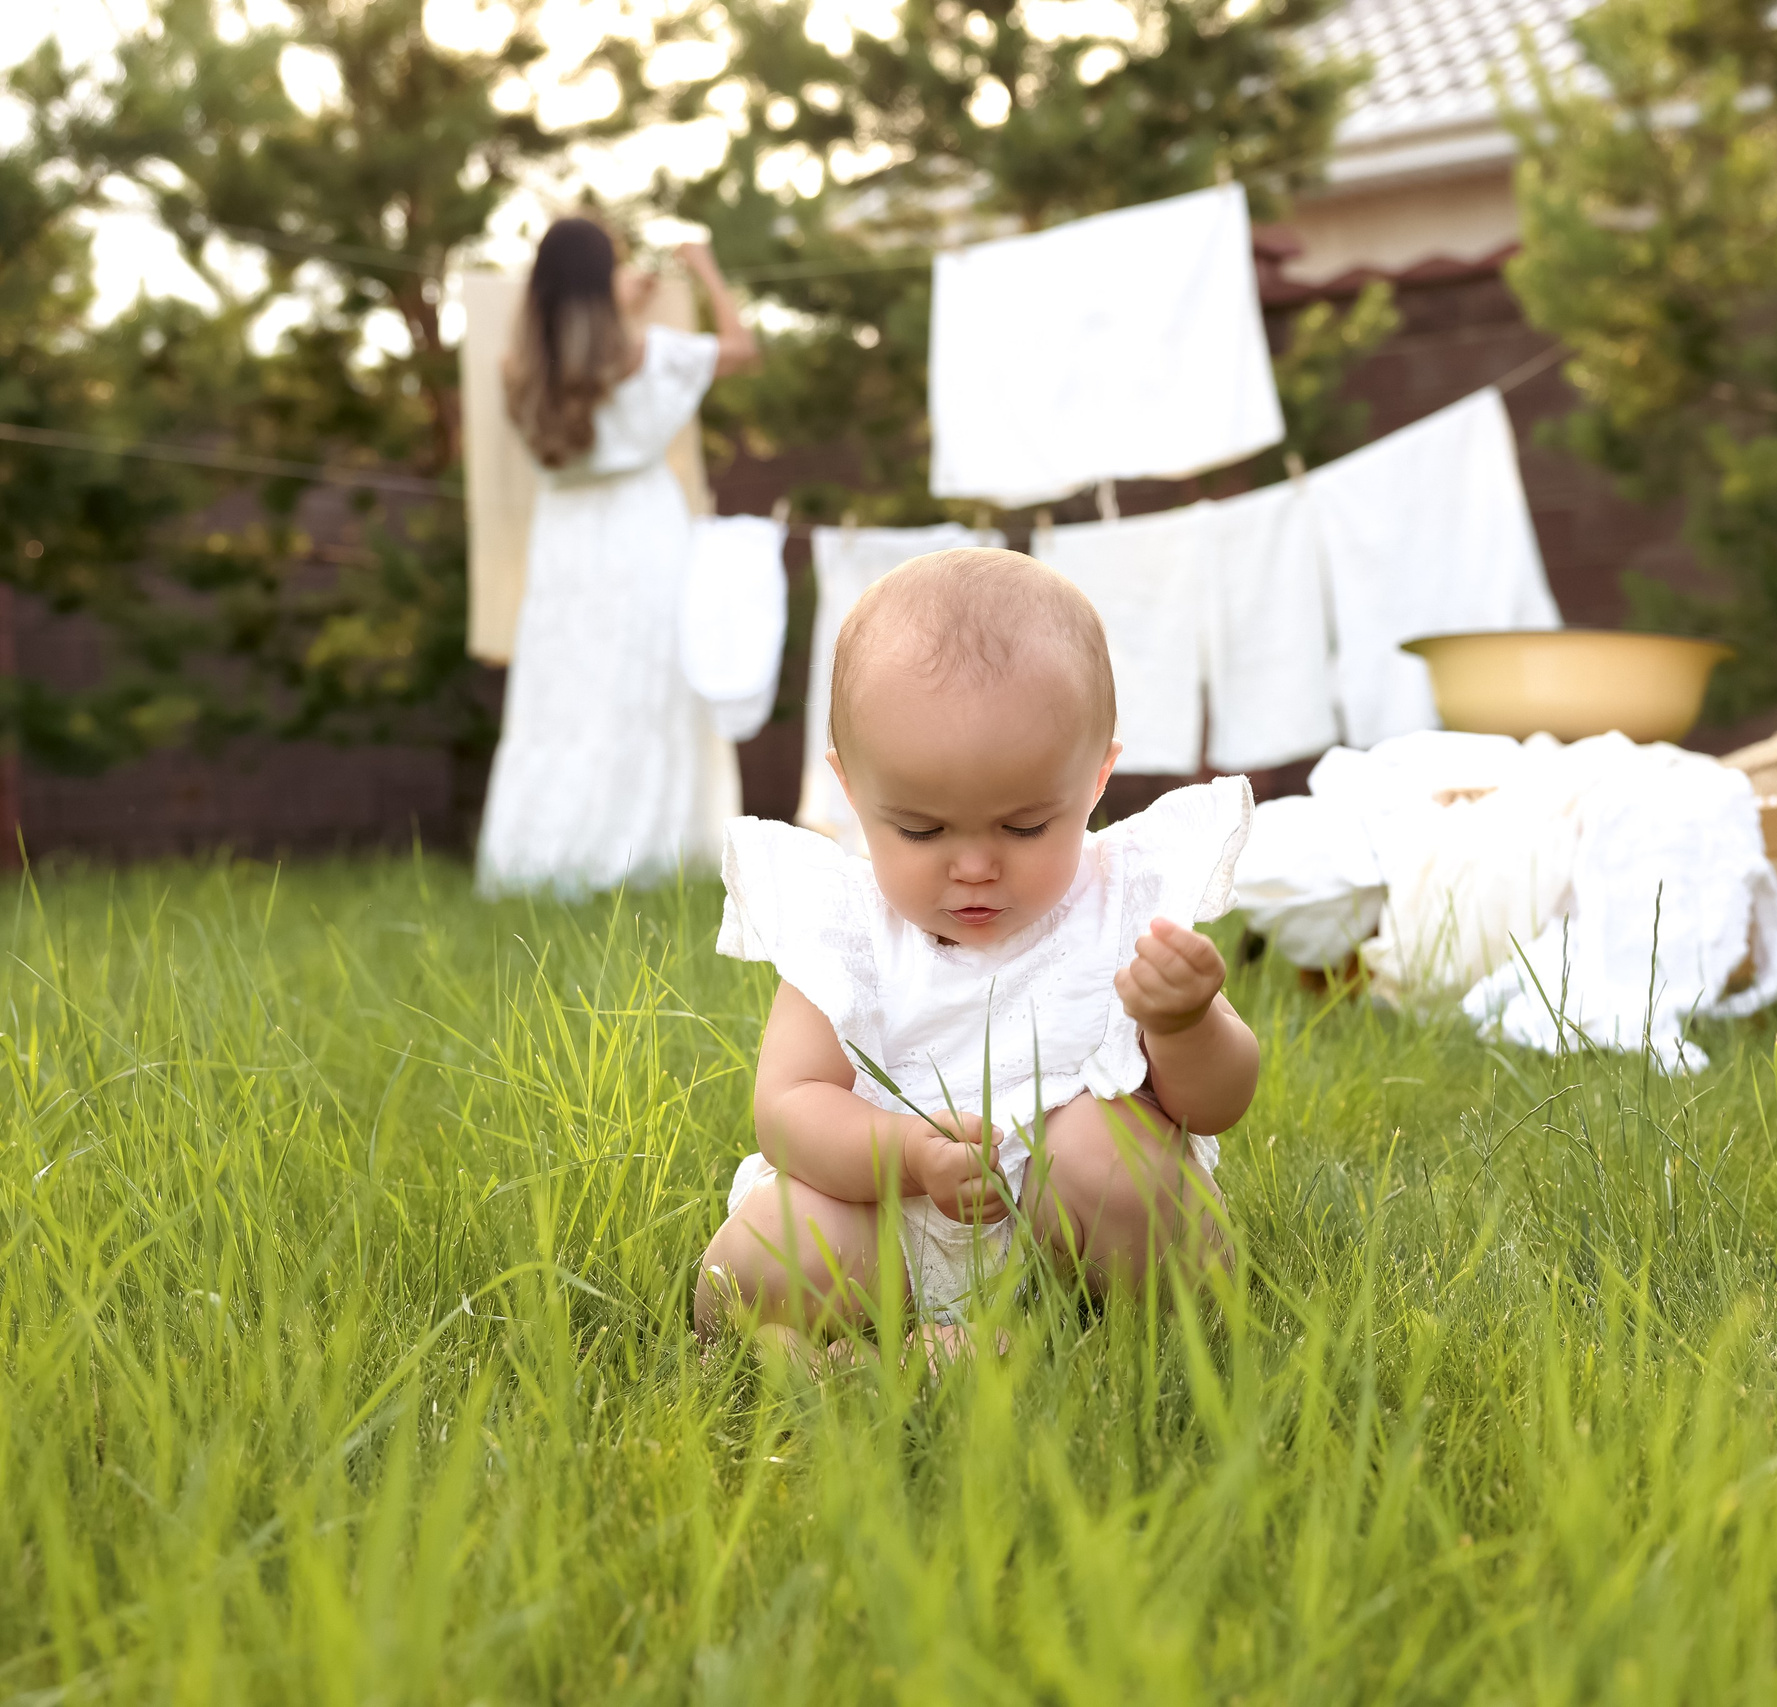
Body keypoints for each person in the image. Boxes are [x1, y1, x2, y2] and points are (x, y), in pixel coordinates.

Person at [695, 548, 1258, 1353]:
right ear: (852, 790)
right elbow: (788, 1110)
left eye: (1024, 826)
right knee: (759, 1258)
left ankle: (1084, 1337)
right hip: (892, 1223)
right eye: (921, 829)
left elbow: (1218, 1101)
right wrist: (906, 1155)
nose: (973, 866)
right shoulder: (847, 931)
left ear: (1097, 777)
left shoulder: (1123, 908)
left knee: (1105, 1154)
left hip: (1073, 1235)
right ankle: (871, 1357)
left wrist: (1185, 1023)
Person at [476, 218, 760, 896]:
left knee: (566, 697)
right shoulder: (649, 355)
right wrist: (702, 265)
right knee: (646, 688)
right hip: (644, 532)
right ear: (604, 280)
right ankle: (654, 854)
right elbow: (741, 349)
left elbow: (579, 357)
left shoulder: (518, 370)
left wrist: (615, 304)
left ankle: (546, 855)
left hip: (564, 543)